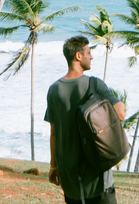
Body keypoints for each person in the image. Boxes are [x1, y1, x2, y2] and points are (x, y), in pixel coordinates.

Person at [44, 36, 126, 204]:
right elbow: (120, 113)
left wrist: (53, 167)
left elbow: (54, 134)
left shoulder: (54, 90)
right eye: (89, 52)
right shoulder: (94, 85)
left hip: (69, 177)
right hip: (96, 175)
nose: (91, 56)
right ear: (78, 56)